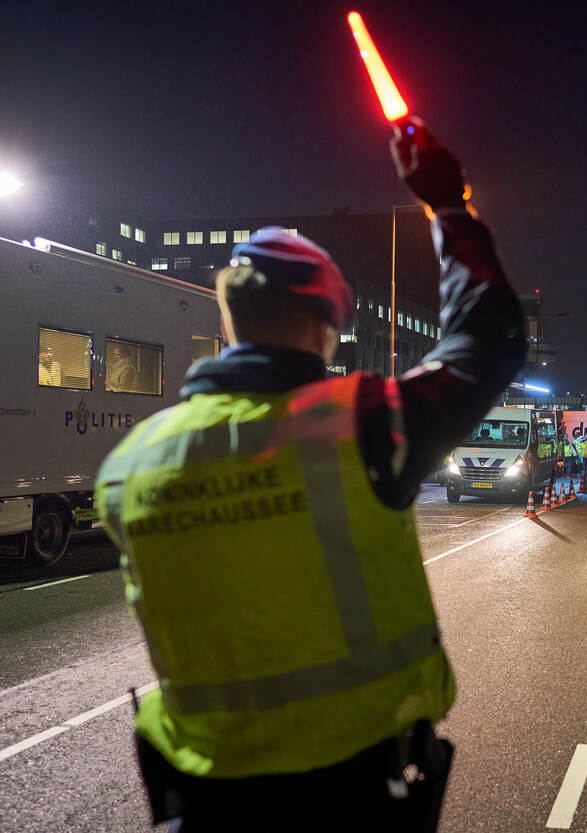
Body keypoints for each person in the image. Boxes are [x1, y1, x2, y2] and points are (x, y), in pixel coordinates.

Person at [94, 117, 524, 830]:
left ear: (233, 319)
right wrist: (448, 204)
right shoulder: (360, 421)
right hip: (344, 794)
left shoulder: (131, 461)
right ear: (324, 323)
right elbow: (489, 338)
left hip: (200, 798)